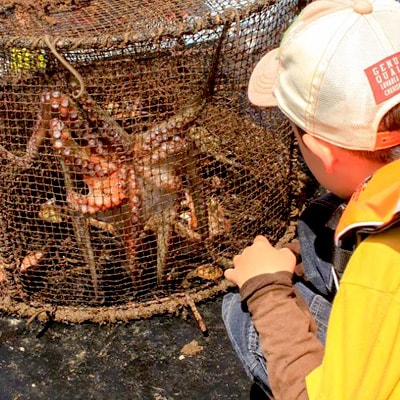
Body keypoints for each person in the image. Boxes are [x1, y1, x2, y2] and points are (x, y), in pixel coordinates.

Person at [222, 0, 400, 399]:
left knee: (240, 308)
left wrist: (266, 290)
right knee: (320, 223)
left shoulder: (381, 270)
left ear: (321, 153)